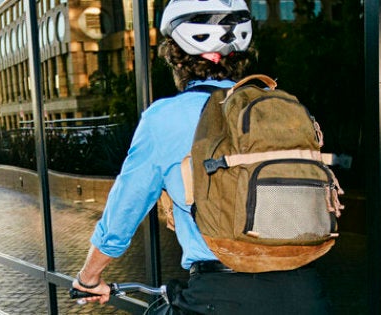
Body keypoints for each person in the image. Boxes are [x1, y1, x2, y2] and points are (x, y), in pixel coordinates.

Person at [72, 0, 332, 313]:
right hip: (306, 293)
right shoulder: (283, 109)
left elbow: (124, 211)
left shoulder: (164, 118)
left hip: (222, 296)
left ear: (176, 56)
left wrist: (89, 277)